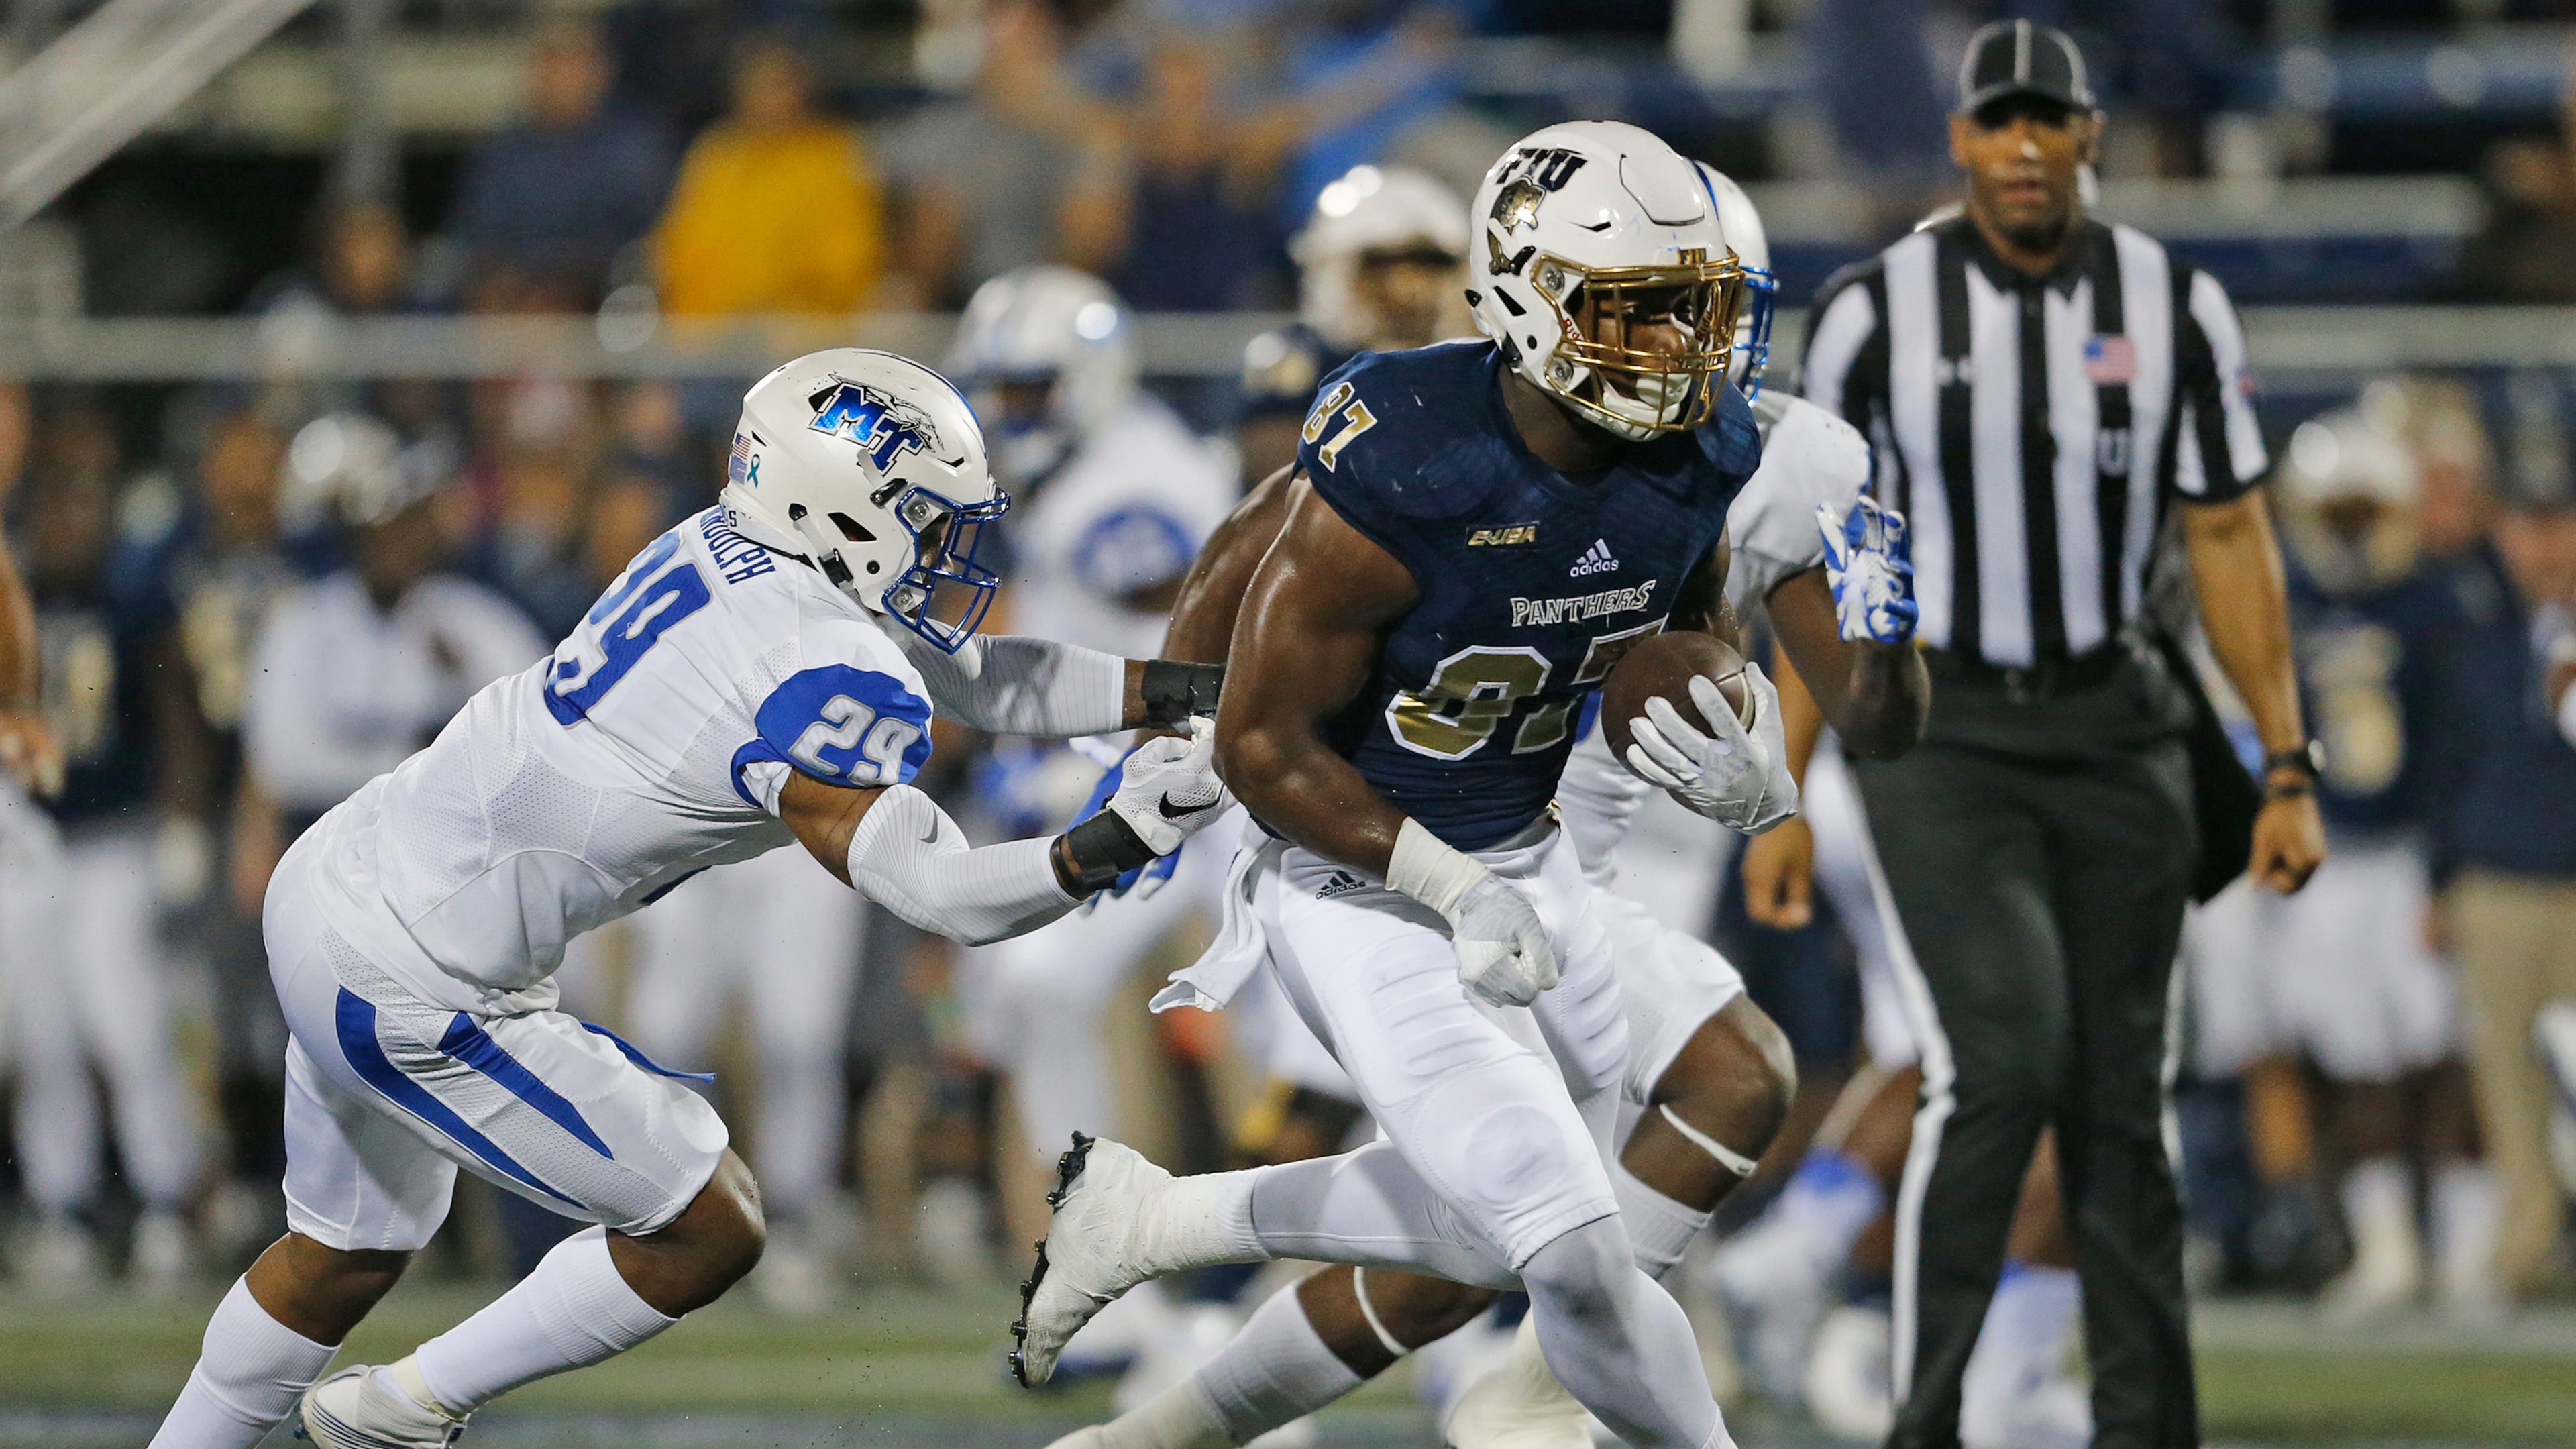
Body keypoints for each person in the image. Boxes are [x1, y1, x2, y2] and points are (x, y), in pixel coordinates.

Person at [1004, 123, 1920, 1449]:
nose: (1682, 348)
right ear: (1533, 297)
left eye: (1698, 310)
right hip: (1360, 873)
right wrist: (1178, 731)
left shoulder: (1714, 449)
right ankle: (1523, 1386)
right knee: (1566, 1241)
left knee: (1580, 1184)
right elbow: (1257, 685)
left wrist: (1752, 762)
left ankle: (1163, 1296)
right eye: (1643, 310)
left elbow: (1694, 637)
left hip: (1538, 859)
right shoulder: (1414, 439)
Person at [144, 349, 1236, 1449]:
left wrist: (1187, 694)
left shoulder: (726, 544)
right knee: (707, 1224)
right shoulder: (811, 657)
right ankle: (403, 1410)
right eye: (920, 510)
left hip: (345, 879)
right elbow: (943, 894)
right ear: (838, 504)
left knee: (341, 1258)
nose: (945, 542)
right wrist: (1124, 832)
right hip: (417, 975)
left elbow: (966, 673)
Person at [1796, 23, 2324, 1448]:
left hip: (2120, 722)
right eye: (1999, 122)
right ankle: (1929, 1418)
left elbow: (2231, 535)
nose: (2024, 147)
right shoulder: (1872, 314)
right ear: (1961, 138)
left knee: (2120, 1103)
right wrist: (1785, 778)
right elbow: (1819, 558)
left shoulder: (2174, 302)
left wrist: (2285, 762)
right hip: (1943, 725)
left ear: (2090, 134)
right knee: (2003, 1065)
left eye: (2049, 121)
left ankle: (2146, 1428)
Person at [941, 266, 1238, 1291]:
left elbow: (1170, 599)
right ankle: (1107, 1265)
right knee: (1044, 992)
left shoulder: (1125, 487)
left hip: (1201, 792)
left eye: (1027, 390)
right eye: (998, 391)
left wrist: (1064, 752)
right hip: (1162, 785)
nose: (1006, 413)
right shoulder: (1099, 469)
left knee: (1286, 1035)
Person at [2, 400, 203, 1291]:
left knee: (125, 1022)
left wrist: (183, 818)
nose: (64, 525)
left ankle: (165, 1199)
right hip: (27, 835)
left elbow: (176, 709)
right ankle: (64, 1205)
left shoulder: (131, 594)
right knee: (44, 1032)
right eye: (51, 505)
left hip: (115, 836)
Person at [2442, 419, 2576, 1305]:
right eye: (2527, 524)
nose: (2544, 544)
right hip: (2495, 881)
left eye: (2560, 522)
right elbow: (2442, 760)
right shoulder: (2470, 621)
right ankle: (2527, 1247)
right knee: (2508, 1083)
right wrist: (2440, 878)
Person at [1235, 164, 1469, 490]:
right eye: (1381, 267)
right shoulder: (1300, 359)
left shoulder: (1474, 364)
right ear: (1334, 272)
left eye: (1429, 267)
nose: (1408, 289)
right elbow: (1276, 475)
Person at [444, 18, 674, 309]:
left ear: (599, 71)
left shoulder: (634, 146)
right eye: (550, 64)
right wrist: (498, 286)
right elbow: (474, 232)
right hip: (510, 304)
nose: (560, 77)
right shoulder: (504, 150)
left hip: (597, 305)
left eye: (572, 64)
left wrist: (567, 287)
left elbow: (642, 241)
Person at [653, 35, 885, 317]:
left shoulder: (836, 155)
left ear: (803, 90)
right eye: (756, 87)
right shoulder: (716, 155)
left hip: (805, 325)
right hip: (708, 327)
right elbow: (677, 249)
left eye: (778, 87)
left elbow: (853, 260)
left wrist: (780, 300)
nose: (768, 100)